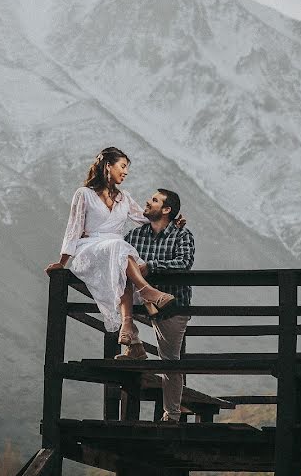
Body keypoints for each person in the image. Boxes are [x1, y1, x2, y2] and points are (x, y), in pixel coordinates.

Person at [46, 147, 178, 344]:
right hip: (89, 249)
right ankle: (146, 290)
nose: (125, 172)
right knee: (120, 249)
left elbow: (146, 220)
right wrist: (62, 262)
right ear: (108, 166)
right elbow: (73, 228)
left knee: (120, 256)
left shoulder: (124, 198)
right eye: (122, 166)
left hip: (116, 251)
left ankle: (129, 334)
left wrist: (172, 221)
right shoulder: (84, 194)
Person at [120, 188, 195, 423]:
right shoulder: (135, 236)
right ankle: (134, 343)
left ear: (166, 209)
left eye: (154, 200)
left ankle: (171, 415)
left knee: (169, 359)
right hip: (139, 301)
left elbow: (183, 263)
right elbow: (121, 258)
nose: (148, 201)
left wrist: (150, 266)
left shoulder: (182, 235)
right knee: (114, 283)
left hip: (173, 303)